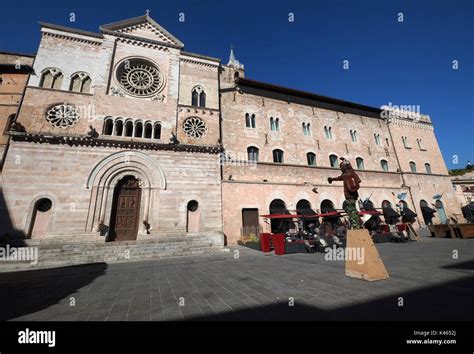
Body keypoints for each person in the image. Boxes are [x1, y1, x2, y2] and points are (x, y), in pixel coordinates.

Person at [328, 158, 362, 229]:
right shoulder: (352, 173)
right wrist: (347, 161)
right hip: (354, 195)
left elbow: (338, 178)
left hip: (349, 195)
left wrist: (331, 179)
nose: (341, 168)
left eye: (341, 167)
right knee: (353, 210)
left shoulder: (345, 175)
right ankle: (357, 224)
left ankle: (356, 225)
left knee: (349, 208)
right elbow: (358, 179)